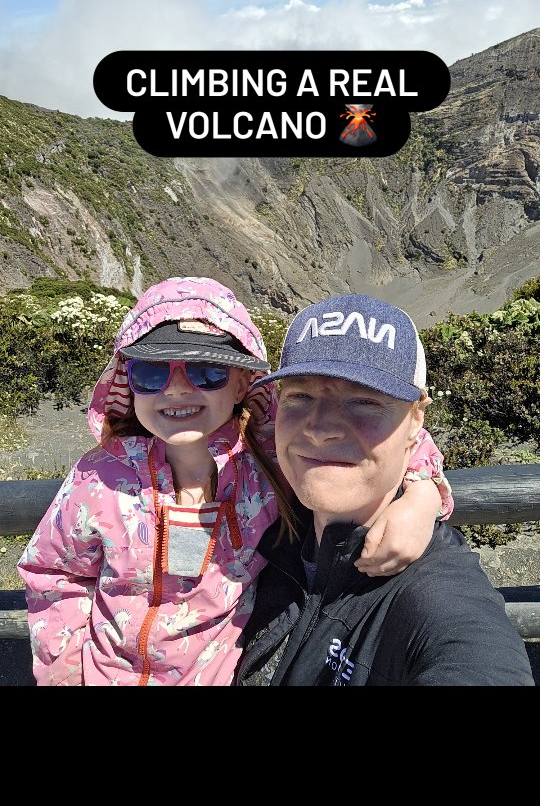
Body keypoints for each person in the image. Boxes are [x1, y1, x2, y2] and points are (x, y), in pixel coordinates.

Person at [18, 277, 451, 687]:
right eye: (152, 374)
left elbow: (395, 438)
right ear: (127, 383)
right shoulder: (100, 477)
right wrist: (65, 669)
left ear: (244, 382)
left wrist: (422, 497)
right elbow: (55, 572)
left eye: (206, 373)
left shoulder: (269, 462)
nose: (176, 390)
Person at [235, 293, 534, 686]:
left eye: (364, 401)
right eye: (300, 396)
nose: (321, 428)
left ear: (415, 422)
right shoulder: (261, 516)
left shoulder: (435, 595)